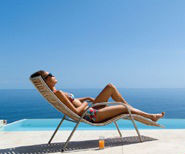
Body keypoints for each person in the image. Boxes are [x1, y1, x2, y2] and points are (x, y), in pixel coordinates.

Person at [30, 70, 165, 123]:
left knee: (110, 87)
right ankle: (151, 116)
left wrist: (87, 98)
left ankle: (131, 108)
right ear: (46, 80)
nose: (53, 75)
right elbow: (77, 111)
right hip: (92, 114)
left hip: (91, 109)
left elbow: (74, 102)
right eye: (50, 75)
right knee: (122, 107)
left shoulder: (57, 92)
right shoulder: (58, 93)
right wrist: (87, 105)